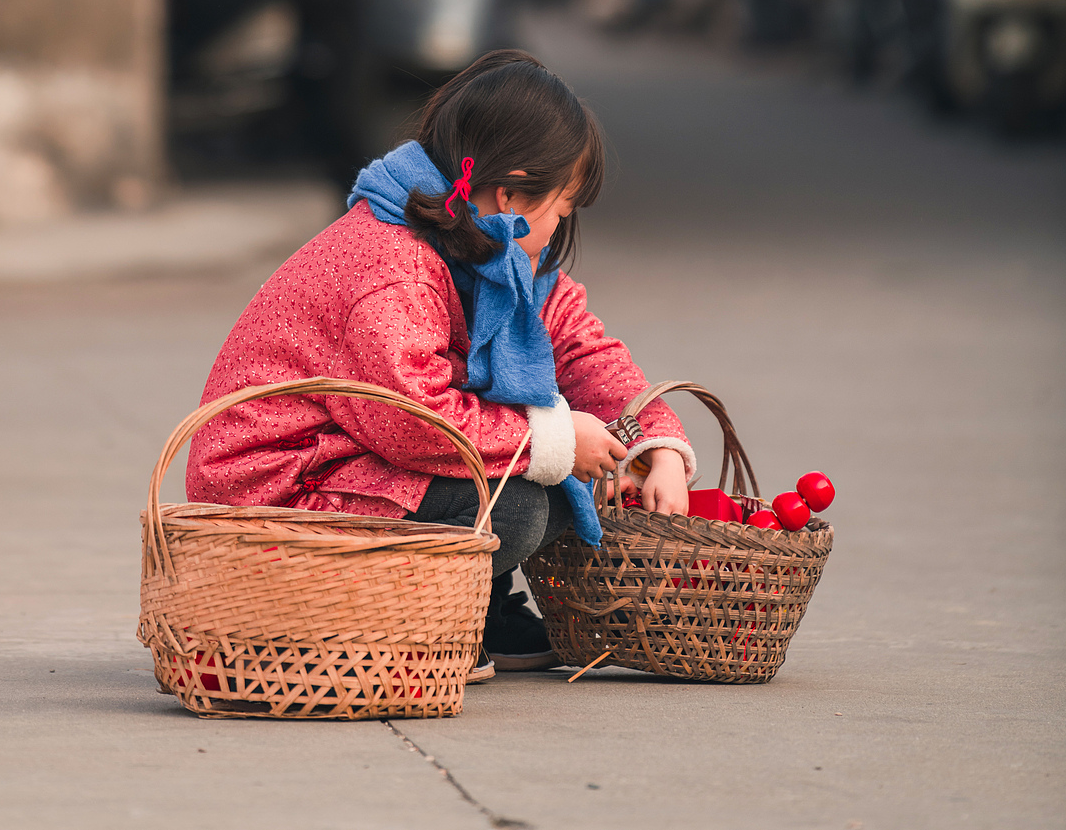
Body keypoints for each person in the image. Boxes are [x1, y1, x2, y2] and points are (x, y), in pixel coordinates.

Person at [186, 49, 694, 678]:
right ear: (510, 193)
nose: (559, 232)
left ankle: (475, 604)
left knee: (563, 489)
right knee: (514, 509)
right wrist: (556, 438)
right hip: (276, 490)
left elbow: (582, 349)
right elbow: (413, 422)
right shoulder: (389, 262)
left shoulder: (496, 252)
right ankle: (425, 622)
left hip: (354, 460)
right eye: (561, 211)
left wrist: (655, 441)